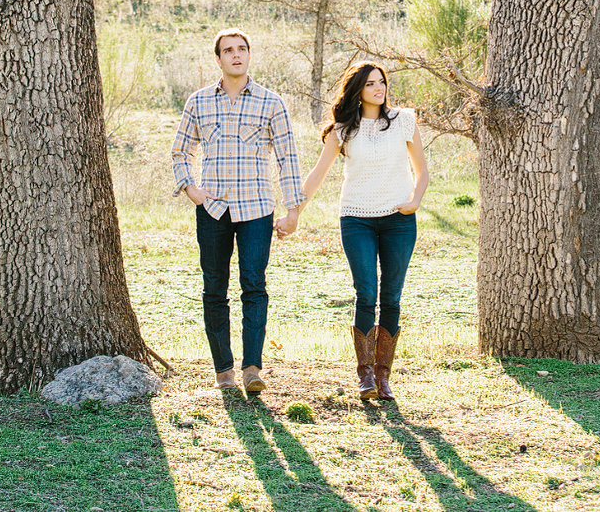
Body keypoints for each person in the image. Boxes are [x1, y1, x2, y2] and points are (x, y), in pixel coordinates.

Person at [170, 28, 303, 393]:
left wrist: (293, 210)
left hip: (257, 208)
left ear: (249, 55)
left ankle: (252, 369)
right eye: (228, 50)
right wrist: (191, 189)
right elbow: (181, 151)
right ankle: (224, 371)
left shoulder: (270, 102)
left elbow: (287, 157)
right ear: (218, 59)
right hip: (212, 209)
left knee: (254, 285)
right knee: (214, 287)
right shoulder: (198, 102)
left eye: (242, 49)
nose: (236, 55)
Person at [289, 61, 429, 401]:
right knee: (366, 292)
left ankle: (384, 378)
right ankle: (365, 375)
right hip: (357, 219)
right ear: (358, 90)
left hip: (398, 220)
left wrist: (415, 200)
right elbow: (317, 174)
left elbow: (422, 171)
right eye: (370, 84)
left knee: (391, 296)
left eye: (381, 82)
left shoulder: (404, 121)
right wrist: (294, 212)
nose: (378, 88)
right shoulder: (343, 130)